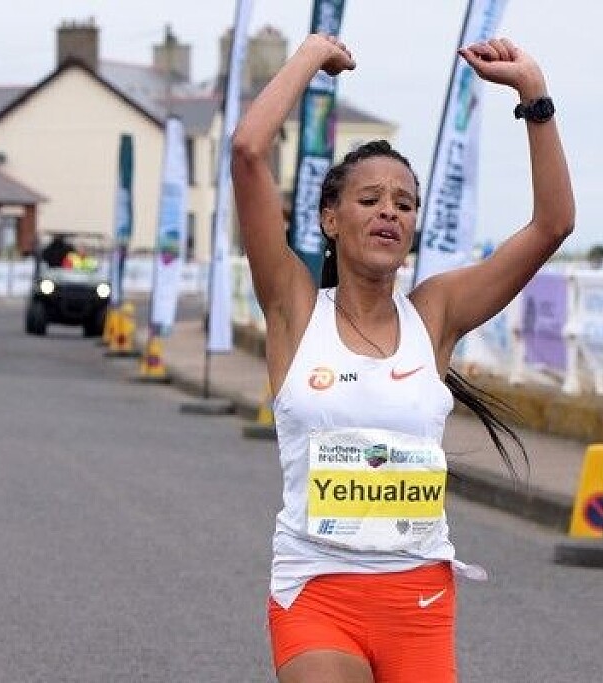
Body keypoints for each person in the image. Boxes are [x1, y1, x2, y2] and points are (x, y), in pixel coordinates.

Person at [232, 33, 574, 683]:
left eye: (404, 203)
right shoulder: (294, 309)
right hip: (317, 588)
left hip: (418, 597)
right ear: (331, 219)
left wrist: (534, 94)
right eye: (369, 200)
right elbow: (249, 151)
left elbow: (552, 225)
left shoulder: (435, 314)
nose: (389, 211)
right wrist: (310, 56)